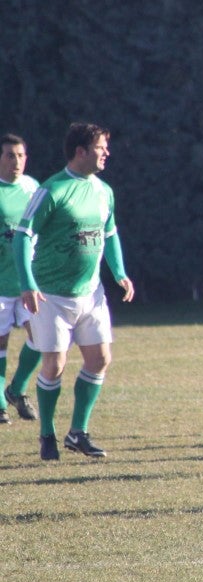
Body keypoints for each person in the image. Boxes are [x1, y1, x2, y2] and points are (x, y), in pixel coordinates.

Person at [13, 122, 135, 460]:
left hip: (91, 294)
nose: (106, 153)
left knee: (100, 359)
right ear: (80, 152)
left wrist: (120, 273)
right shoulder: (52, 190)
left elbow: (109, 234)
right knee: (54, 366)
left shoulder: (104, 191)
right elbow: (22, 235)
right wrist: (27, 283)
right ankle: (47, 434)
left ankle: (77, 432)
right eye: (100, 147)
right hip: (51, 295)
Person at [0, 134, 41, 425]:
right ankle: (0, 404)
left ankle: (17, 389)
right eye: (10, 155)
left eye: (21, 155)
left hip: (29, 283)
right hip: (1, 284)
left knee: (42, 337)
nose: (16, 161)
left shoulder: (33, 187)